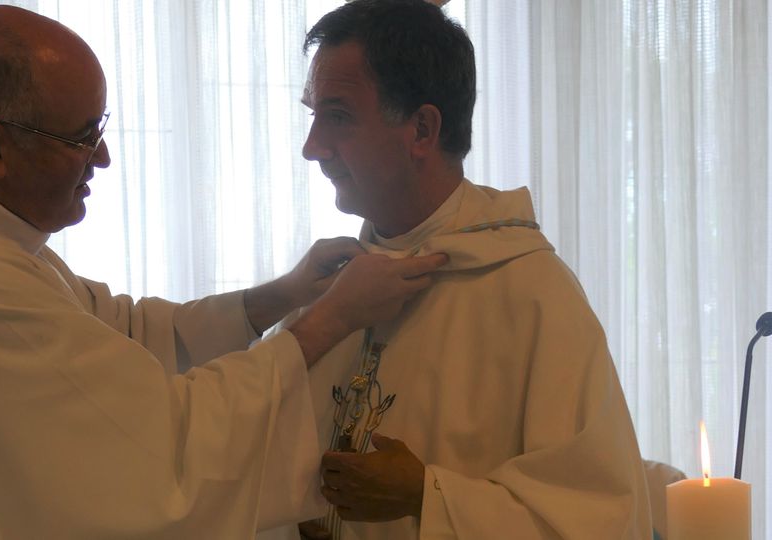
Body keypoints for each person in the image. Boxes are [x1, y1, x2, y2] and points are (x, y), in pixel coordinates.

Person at [0, 6, 449, 539]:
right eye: (82, 136)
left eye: (102, 127)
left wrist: (279, 296)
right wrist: (330, 319)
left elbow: (124, 331)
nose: (104, 157)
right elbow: (166, 455)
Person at [258, 1, 652, 539]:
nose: (312, 148)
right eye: (313, 116)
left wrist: (427, 498)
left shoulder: (534, 297)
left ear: (422, 129)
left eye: (339, 116)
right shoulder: (325, 290)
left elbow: (600, 519)